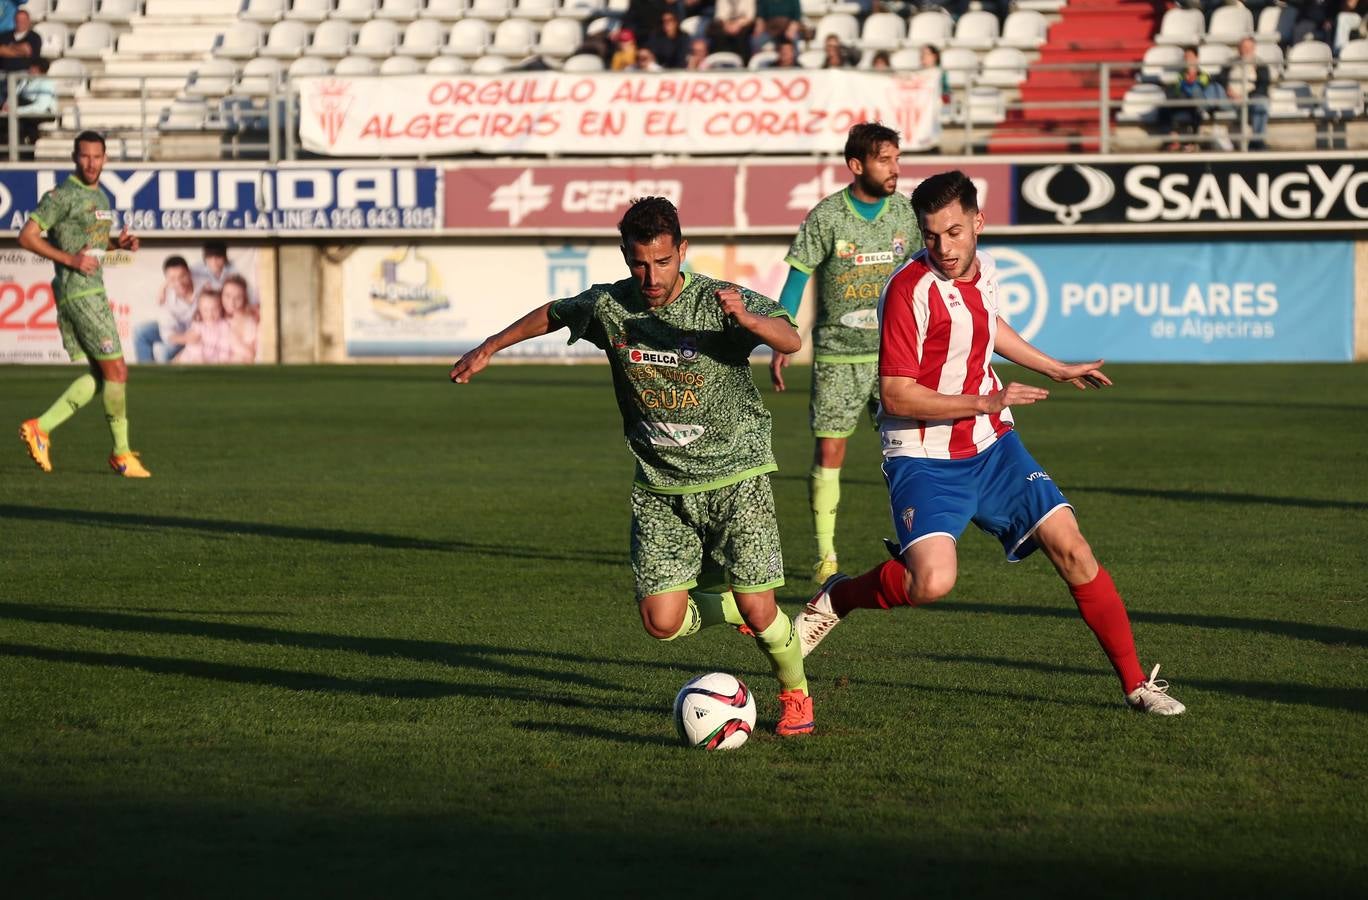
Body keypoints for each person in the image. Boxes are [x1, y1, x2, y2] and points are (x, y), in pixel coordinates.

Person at [794, 170, 1186, 717]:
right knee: (931, 582)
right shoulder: (908, 291)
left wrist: (1055, 368)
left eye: (954, 232)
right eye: (931, 236)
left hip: (992, 446)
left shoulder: (985, 272)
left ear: (978, 222)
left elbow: (986, 324)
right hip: (924, 456)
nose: (944, 248)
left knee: (1073, 547)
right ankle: (839, 597)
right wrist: (987, 400)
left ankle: (1137, 684)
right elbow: (897, 396)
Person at [448, 196, 816, 737]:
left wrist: (748, 319)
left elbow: (791, 337)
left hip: (736, 475)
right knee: (660, 623)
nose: (651, 275)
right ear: (625, 255)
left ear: (682, 251)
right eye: (639, 262)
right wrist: (489, 347)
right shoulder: (611, 307)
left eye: (663, 261)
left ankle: (796, 695)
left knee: (763, 610)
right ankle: (732, 609)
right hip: (661, 486)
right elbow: (554, 312)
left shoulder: (717, 302)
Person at [770, 122, 921, 583]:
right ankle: (825, 555)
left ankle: (914, 545)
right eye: (884, 160)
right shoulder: (827, 216)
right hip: (837, 356)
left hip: (895, 356)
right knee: (830, 449)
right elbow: (797, 276)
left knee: (909, 452)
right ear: (857, 165)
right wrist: (782, 333)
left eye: (897, 159)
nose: (894, 169)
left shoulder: (906, 215)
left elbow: (923, 275)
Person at [17, 130, 150, 478]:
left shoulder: (102, 198)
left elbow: (88, 242)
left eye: (97, 156)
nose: (91, 163)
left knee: (102, 374)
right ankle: (121, 454)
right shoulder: (62, 196)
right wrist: (69, 260)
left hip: (93, 289)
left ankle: (40, 428)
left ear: (105, 158)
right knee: (118, 371)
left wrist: (116, 245)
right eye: (85, 156)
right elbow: (26, 236)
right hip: (80, 293)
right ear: (75, 157)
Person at [133, 254, 197, 363]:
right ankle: (147, 373)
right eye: (172, 279)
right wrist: (186, 339)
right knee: (140, 331)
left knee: (163, 352)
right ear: (167, 280)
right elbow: (167, 333)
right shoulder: (166, 298)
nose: (179, 282)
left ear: (189, 273)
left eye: (182, 276)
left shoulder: (204, 285)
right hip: (178, 333)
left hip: (200, 332)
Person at [1164, 46, 1225, 151]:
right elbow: (1177, 91)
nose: (1188, 60)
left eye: (1190, 57)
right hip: (1183, 102)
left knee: (1197, 109)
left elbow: (1202, 91)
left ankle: (1193, 143)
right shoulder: (1180, 75)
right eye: (1186, 57)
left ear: (1197, 58)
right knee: (1166, 106)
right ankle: (1174, 139)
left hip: (1198, 104)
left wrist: (1190, 82)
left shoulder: (1204, 75)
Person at [1219, 36, 1270, 151]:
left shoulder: (1261, 65)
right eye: (1243, 47)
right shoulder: (1230, 64)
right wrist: (1228, 90)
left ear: (1254, 49)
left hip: (1250, 100)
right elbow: (1220, 79)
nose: (1246, 50)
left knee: (1262, 104)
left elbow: (1263, 87)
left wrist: (1245, 97)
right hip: (1229, 99)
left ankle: (1257, 142)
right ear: (1238, 49)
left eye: (1249, 47)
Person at [5, 55, 54, 150]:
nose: (29, 69)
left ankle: (23, 151)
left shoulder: (46, 83)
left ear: (39, 69)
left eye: (32, 67)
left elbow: (40, 107)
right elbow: (14, 95)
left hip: (43, 114)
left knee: (20, 123)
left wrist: (16, 111)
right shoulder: (25, 80)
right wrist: (7, 105)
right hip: (25, 112)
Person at [175, 287, 235, 364]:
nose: (210, 314)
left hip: (214, 361)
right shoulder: (198, 325)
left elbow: (225, 347)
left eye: (215, 309)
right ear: (200, 310)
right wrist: (199, 359)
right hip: (193, 358)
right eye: (205, 310)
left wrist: (222, 361)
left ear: (221, 308)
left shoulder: (224, 326)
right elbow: (193, 344)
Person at [222, 273, 259, 363]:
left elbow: (250, 355)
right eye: (227, 296)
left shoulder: (249, 322)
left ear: (245, 299)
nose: (231, 302)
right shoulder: (218, 314)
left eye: (238, 298)